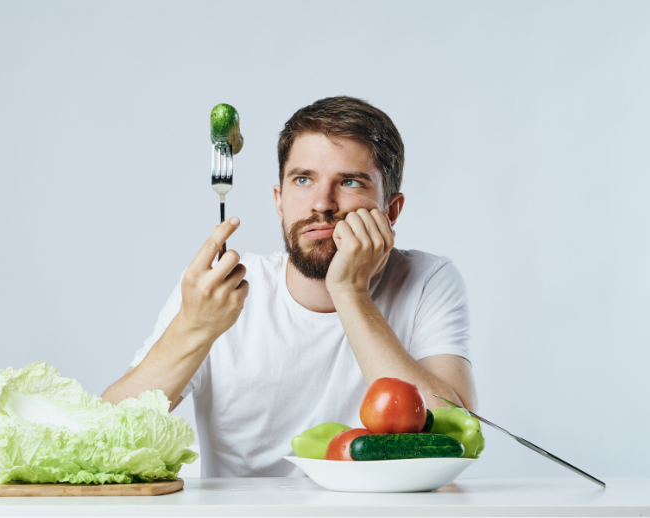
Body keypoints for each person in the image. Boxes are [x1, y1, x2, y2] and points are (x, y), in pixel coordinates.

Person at [102, 96, 478, 477]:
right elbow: (104, 438)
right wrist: (193, 328)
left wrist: (350, 293)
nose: (321, 204)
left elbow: (457, 439)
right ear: (280, 202)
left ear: (390, 211)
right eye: (303, 179)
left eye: (349, 182)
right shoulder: (219, 291)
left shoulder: (428, 279)